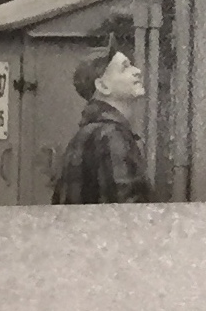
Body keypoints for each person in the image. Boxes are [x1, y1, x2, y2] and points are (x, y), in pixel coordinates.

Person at [50, 46, 151, 203]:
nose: (137, 70)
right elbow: (129, 212)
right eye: (125, 68)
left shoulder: (90, 132)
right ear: (103, 86)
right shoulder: (111, 135)